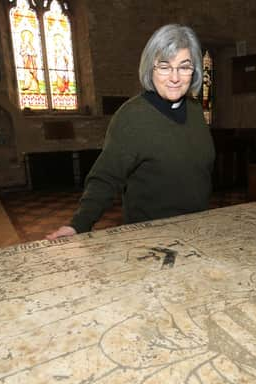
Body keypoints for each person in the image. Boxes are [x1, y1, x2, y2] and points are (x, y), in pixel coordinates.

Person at [46, 24, 214, 240]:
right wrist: (79, 224)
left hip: (198, 230)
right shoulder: (132, 116)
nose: (175, 77)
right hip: (149, 238)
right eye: (164, 66)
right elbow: (106, 177)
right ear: (150, 68)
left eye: (184, 67)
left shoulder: (196, 111)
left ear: (195, 71)